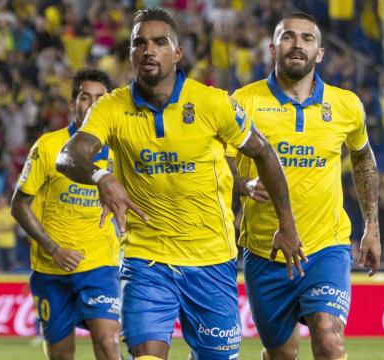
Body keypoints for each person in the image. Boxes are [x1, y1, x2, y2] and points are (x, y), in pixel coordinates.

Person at [56, 8, 301, 360]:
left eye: (159, 42)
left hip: (211, 260)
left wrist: (287, 224)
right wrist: (101, 176)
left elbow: (264, 153)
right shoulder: (110, 107)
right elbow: (68, 155)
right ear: (130, 53)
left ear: (178, 52)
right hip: (146, 260)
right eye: (139, 43)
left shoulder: (212, 103)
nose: (148, 50)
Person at [229, 12, 381, 360]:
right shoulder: (243, 102)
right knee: (280, 353)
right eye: (288, 37)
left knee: (328, 341)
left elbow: (363, 159)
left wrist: (372, 227)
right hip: (266, 253)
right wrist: (242, 183)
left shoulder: (346, 105)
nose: (297, 44)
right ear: (272, 48)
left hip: (325, 247)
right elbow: (217, 160)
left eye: (307, 38)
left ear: (321, 52)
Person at [11, 68, 120, 360]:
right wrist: (53, 249)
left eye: (101, 98)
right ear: (73, 104)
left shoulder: (120, 150)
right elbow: (19, 205)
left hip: (100, 264)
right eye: (86, 98)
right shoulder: (47, 146)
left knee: (108, 343)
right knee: (61, 356)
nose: (93, 105)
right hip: (51, 269)